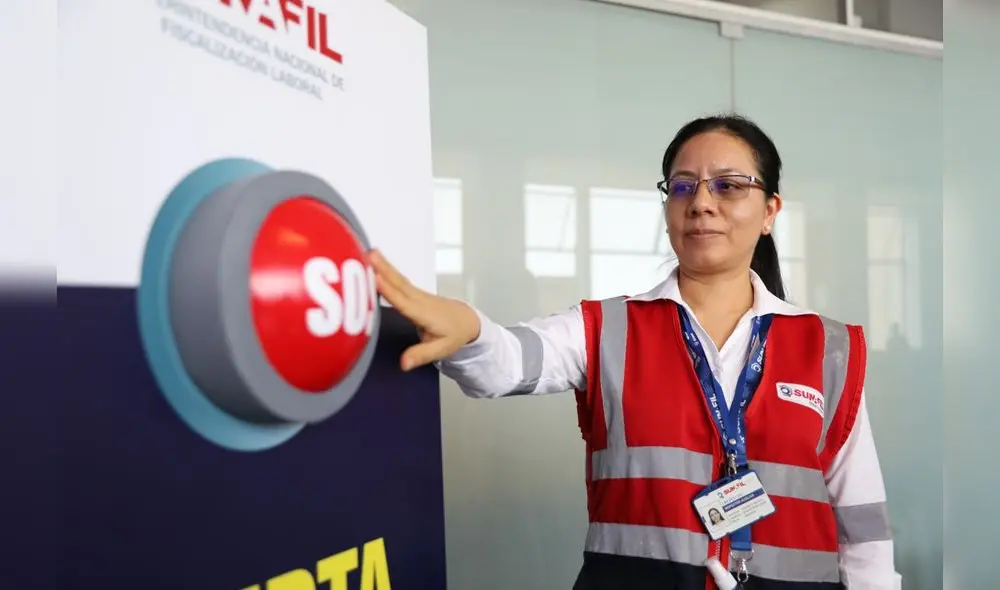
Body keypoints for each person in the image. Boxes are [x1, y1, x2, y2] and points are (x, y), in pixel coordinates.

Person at [369, 114, 900, 590]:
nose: (702, 203)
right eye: (683, 186)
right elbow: (509, 360)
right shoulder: (607, 328)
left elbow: (864, 521)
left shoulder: (827, 347)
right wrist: (470, 330)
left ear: (770, 211)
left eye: (729, 186)